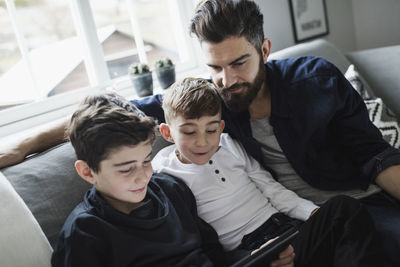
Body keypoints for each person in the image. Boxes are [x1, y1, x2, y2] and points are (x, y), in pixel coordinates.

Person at [1, 0, 399, 264]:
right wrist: (24, 143)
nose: (227, 79)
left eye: (239, 62)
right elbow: (114, 110)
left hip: (353, 200)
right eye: (214, 68)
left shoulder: (315, 79)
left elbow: (376, 155)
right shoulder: (209, 102)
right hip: (273, 234)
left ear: (264, 50)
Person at [151, 77, 383, 266]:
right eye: (189, 132)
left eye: (210, 130)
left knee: (345, 208)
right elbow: (196, 240)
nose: (202, 142)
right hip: (249, 252)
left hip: (287, 229)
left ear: (220, 127)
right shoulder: (165, 174)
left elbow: (270, 188)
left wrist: (310, 212)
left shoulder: (230, 145)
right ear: (168, 133)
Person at [51, 92, 228, 267]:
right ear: (88, 172)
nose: (143, 177)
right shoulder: (83, 233)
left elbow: (211, 248)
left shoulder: (172, 189)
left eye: (146, 161)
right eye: (127, 169)